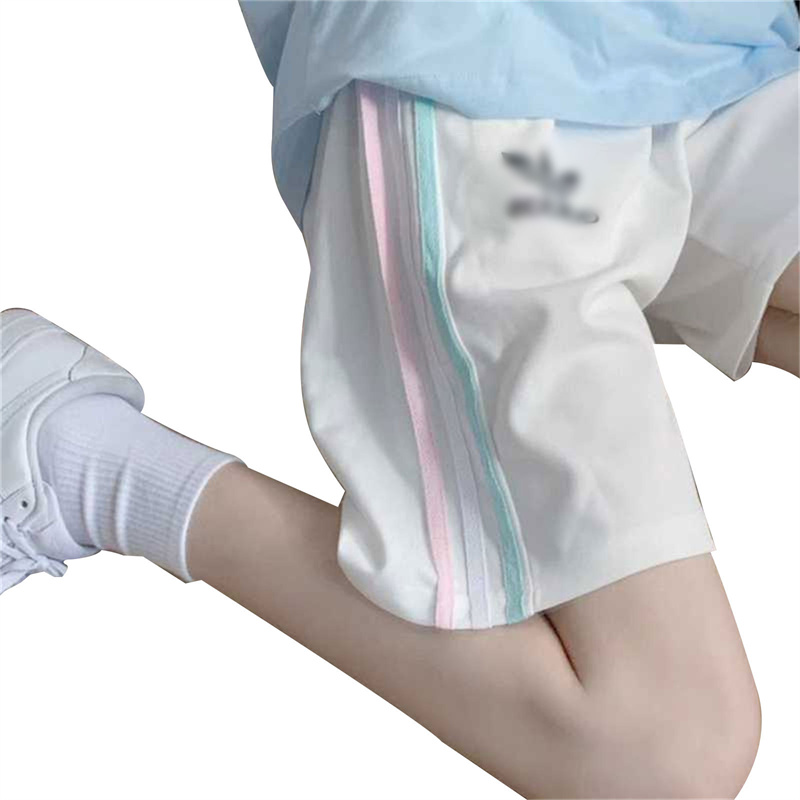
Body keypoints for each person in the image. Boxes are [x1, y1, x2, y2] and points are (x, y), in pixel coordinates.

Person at [2, 2, 798, 797]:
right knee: (668, 745)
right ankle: (88, 461)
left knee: (674, 743)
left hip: (731, 47)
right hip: (487, 86)